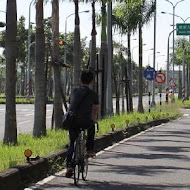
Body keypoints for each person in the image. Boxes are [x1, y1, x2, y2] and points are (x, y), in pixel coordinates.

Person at [65, 69, 99, 178]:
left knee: (71, 143)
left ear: (80, 80)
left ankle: (69, 165)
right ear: (92, 82)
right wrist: (94, 120)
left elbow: (71, 104)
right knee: (91, 127)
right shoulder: (93, 94)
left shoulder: (74, 91)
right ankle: (89, 149)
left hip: (72, 120)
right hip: (85, 121)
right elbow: (95, 110)